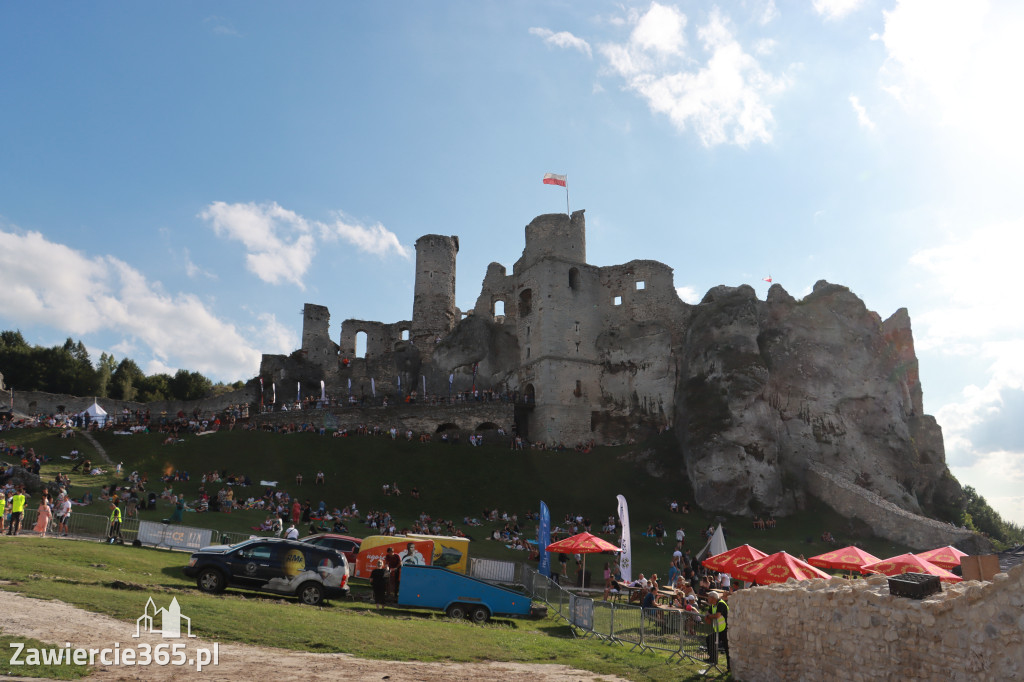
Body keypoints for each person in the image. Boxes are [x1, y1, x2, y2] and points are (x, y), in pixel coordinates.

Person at [705, 591, 730, 670]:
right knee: (709, 639)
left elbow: (717, 615)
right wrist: (708, 616)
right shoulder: (713, 605)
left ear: (713, 598)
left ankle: (729, 667)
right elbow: (707, 614)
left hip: (726, 629)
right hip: (718, 630)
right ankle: (712, 658)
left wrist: (709, 616)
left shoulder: (721, 604)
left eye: (709, 597)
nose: (707, 598)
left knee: (727, 649)